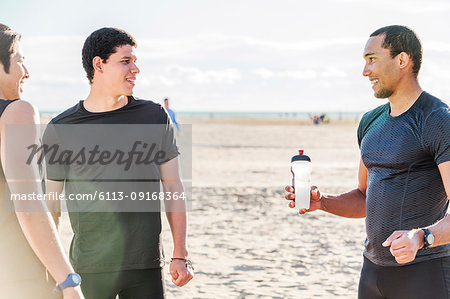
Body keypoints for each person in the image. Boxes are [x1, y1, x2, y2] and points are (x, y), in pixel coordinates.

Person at [284, 25, 449, 298]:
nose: (365, 71)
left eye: (372, 59)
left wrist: (421, 238)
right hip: (372, 273)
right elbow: (364, 197)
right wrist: (322, 202)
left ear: (402, 60)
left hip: (424, 273)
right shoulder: (370, 122)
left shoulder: (437, 119)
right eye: (364, 62)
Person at [44, 27, 193, 299]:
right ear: (98, 64)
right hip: (89, 268)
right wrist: (53, 270)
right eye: (125, 61)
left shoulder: (153, 116)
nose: (135, 69)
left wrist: (180, 254)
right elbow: (51, 208)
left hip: (145, 267)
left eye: (135, 61)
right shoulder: (61, 128)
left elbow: (173, 187)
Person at [0, 24, 84, 298]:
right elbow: (28, 207)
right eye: (20, 60)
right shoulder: (17, 112)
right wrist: (68, 281)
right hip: (18, 271)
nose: (27, 72)